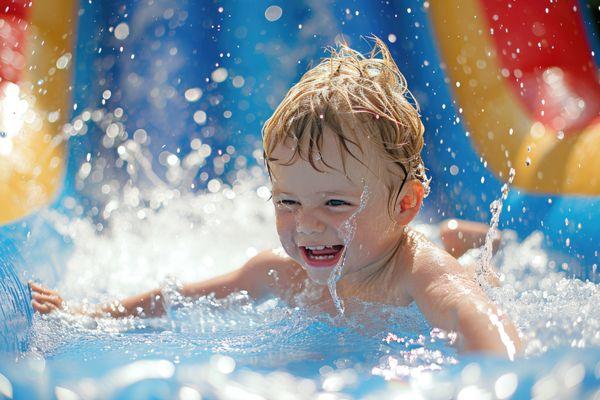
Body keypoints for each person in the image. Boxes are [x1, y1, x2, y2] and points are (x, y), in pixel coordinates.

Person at [30, 37, 521, 359]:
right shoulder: (283, 274)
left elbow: (479, 318)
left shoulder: (418, 275)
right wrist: (84, 317)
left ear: (405, 204)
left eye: (334, 204)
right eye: (287, 202)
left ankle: (458, 238)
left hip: (439, 255)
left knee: (465, 257)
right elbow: (178, 300)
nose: (306, 225)